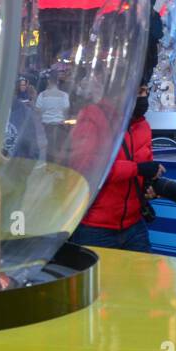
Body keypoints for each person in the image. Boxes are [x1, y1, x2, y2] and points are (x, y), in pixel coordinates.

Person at [68, 85, 159, 252]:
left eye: (146, 91)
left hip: (134, 225)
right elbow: (88, 167)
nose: (144, 97)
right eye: (139, 91)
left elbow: (144, 166)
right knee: (100, 278)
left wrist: (148, 186)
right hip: (95, 228)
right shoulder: (92, 117)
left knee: (142, 277)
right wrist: (137, 169)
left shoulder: (142, 126)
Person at [35, 75, 71, 157]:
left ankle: (48, 165)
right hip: (59, 126)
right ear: (57, 82)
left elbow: (37, 109)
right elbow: (66, 109)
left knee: (48, 150)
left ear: (48, 81)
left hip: (46, 126)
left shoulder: (42, 94)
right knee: (58, 149)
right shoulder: (64, 95)